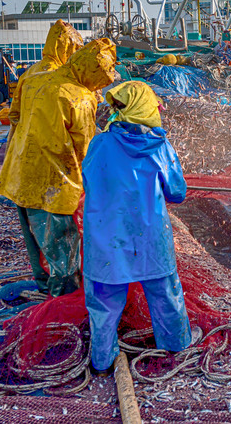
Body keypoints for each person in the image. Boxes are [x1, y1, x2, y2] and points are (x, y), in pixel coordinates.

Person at [81, 80, 192, 374]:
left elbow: (88, 180)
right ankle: (176, 351)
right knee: (166, 297)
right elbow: (177, 193)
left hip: (106, 240)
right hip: (150, 240)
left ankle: (102, 361)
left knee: (103, 306)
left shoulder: (99, 144)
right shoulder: (160, 147)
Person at [0, 38, 117, 297]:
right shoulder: (81, 96)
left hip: (19, 174)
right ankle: (64, 301)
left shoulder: (34, 78)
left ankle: (44, 288)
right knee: (62, 247)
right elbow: (85, 149)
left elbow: (13, 117)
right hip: (56, 181)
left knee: (36, 240)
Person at [7, 20, 84, 139]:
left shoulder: (29, 72)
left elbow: (14, 114)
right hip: (53, 145)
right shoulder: (64, 76)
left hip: (24, 143)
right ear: (67, 47)